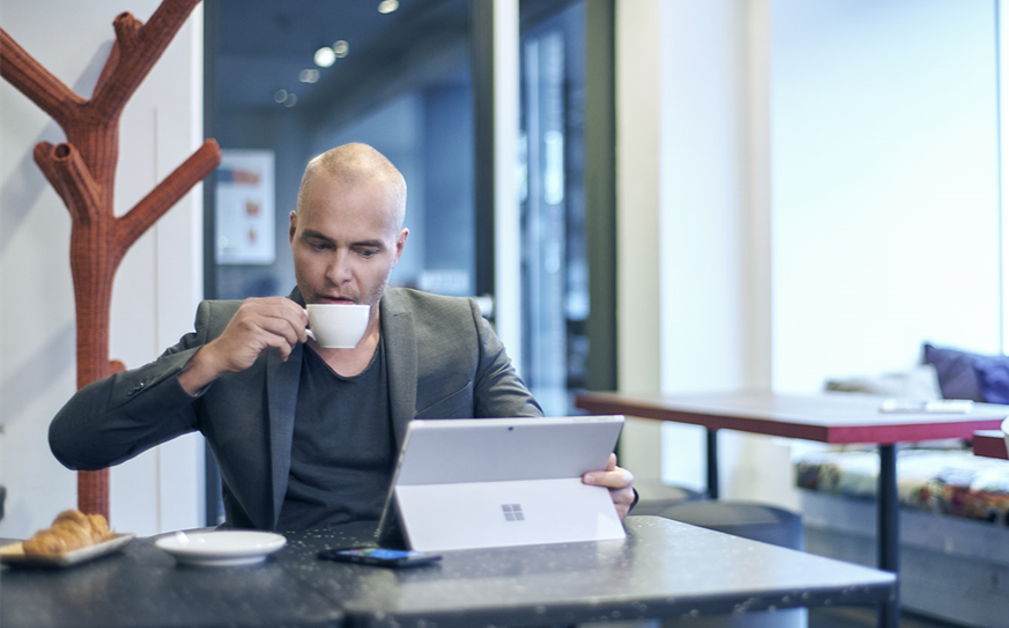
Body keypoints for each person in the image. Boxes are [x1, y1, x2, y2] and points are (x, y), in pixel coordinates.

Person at [49, 142, 635, 531]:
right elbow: (74, 443)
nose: (338, 274)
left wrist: (599, 491)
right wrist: (205, 362)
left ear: (397, 249)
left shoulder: (458, 331)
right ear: (292, 233)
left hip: (423, 589)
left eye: (365, 251)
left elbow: (541, 460)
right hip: (276, 595)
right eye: (320, 244)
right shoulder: (228, 335)